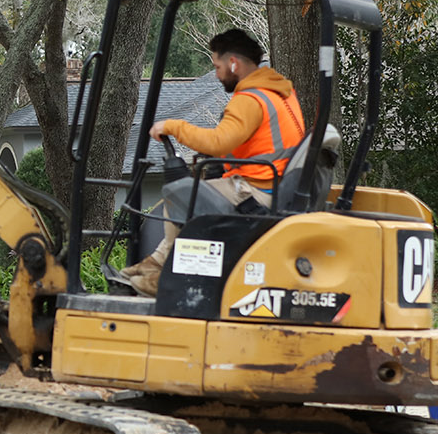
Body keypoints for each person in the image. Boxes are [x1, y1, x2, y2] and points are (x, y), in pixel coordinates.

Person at [120, 27, 306, 296]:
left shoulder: (250, 99)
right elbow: (252, 144)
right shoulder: (280, 94)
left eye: (217, 66)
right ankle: (156, 264)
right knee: (196, 188)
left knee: (181, 193)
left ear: (233, 63)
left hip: (257, 191)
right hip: (274, 184)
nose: (217, 74)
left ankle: (163, 274)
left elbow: (218, 141)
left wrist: (173, 126)